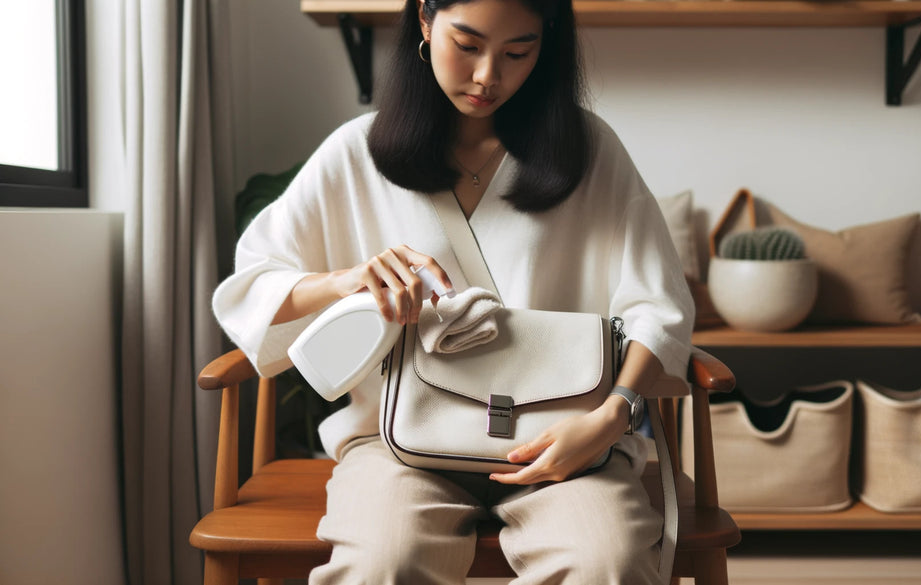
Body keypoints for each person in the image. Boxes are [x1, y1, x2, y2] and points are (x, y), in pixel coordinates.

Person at [212, 0, 695, 582]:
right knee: (382, 563)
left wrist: (614, 417)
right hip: (397, 446)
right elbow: (252, 285)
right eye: (467, 45)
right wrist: (348, 279)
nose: (489, 75)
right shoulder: (355, 152)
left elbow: (658, 306)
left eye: (518, 52)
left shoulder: (591, 150)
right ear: (424, 20)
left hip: (560, 442)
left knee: (605, 562)